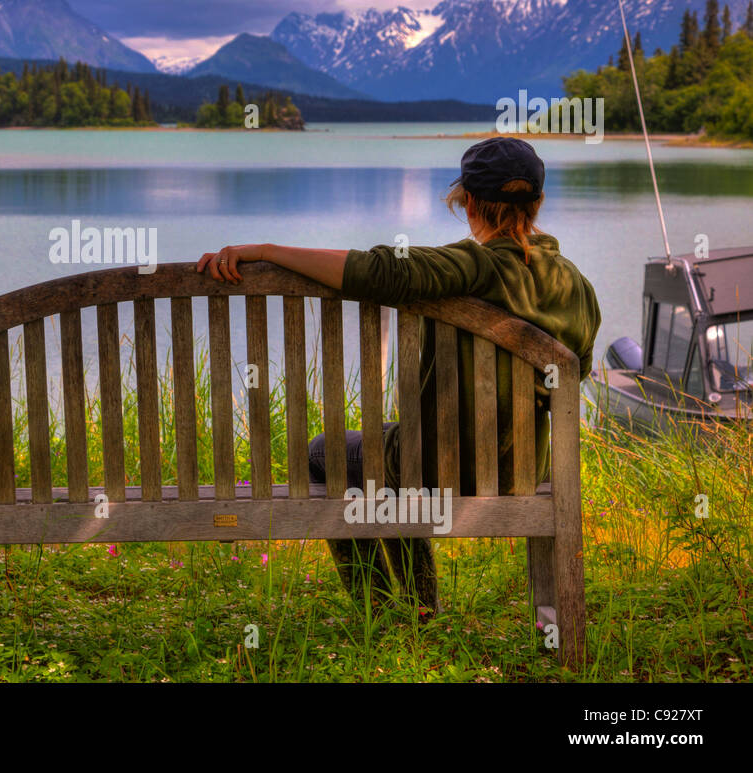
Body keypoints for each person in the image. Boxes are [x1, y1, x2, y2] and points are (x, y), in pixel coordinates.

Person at [196, 136, 601, 614]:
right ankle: (421, 607)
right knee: (395, 455)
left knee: (327, 453)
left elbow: (377, 271)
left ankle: (385, 609)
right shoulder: (577, 285)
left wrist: (265, 249)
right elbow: (573, 377)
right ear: (537, 202)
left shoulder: (470, 265)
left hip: (434, 469)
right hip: (521, 472)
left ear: (468, 201)